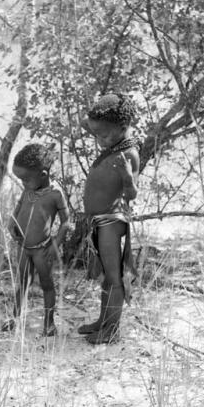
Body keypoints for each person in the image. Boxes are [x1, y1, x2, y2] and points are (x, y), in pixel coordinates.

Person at [78, 93, 140, 344]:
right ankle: (103, 321)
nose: (99, 140)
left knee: (114, 278)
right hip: (99, 221)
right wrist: (103, 111)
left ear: (123, 128)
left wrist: (128, 178)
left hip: (112, 222)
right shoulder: (112, 139)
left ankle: (111, 329)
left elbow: (132, 194)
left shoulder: (129, 154)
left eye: (103, 136)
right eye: (96, 135)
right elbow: (88, 122)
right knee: (105, 276)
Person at [3, 144, 70, 337]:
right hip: (24, 247)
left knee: (47, 285)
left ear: (42, 174)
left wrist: (55, 245)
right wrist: (11, 223)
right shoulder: (28, 190)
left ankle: (49, 324)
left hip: (43, 250)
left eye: (25, 179)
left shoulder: (55, 194)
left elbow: (66, 223)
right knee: (22, 283)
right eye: (20, 179)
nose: (22, 183)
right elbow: (19, 206)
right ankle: (15, 319)